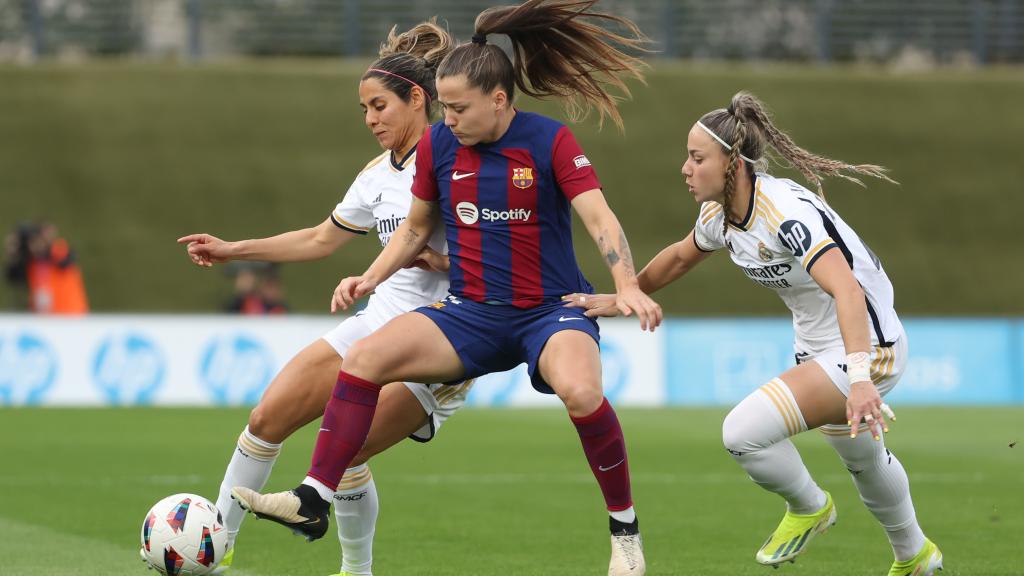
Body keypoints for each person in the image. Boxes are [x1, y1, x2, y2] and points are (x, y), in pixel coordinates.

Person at [231, 2, 661, 574]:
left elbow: (600, 219)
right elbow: (412, 230)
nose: (448, 119)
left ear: (499, 100)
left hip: (548, 313)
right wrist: (370, 277)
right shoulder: (439, 146)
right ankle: (313, 498)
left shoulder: (551, 142)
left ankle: (625, 531)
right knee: (365, 357)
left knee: (582, 393)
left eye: (459, 108)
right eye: (445, 108)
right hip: (469, 314)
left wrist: (625, 285)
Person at [566, 91, 942, 575]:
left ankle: (810, 508)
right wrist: (625, 295)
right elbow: (681, 256)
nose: (685, 167)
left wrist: (861, 378)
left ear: (733, 164)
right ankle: (916, 556)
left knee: (743, 433)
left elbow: (847, 290)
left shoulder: (783, 214)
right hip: (820, 350)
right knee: (864, 462)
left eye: (697, 158)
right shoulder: (719, 215)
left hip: (867, 347)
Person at [176, 21, 471, 576]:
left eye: (379, 105)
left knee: (346, 451)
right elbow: (320, 238)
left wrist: (435, 260)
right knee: (266, 417)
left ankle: (356, 570)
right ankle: (213, 553)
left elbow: (496, 254)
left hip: (442, 336)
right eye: (364, 109)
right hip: (376, 321)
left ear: (417, 99)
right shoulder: (378, 174)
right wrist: (232, 248)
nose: (371, 120)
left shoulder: (458, 159)